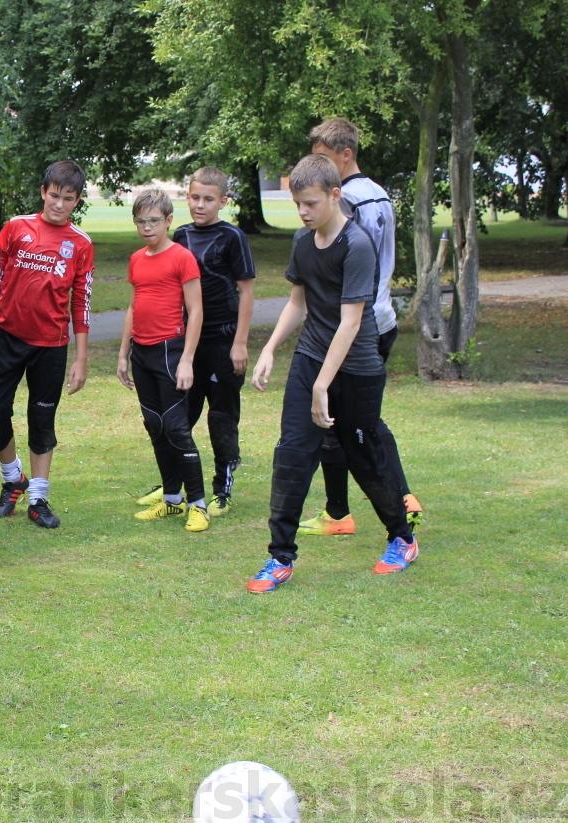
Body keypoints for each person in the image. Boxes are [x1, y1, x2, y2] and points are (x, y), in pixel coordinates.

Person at [246, 155, 417, 593]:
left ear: (335, 195)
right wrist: (268, 348)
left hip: (356, 370)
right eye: (297, 204)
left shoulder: (357, 245)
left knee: (363, 458)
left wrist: (325, 383)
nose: (303, 212)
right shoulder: (303, 242)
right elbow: (298, 303)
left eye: (310, 203)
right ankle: (279, 557)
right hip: (310, 359)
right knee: (292, 454)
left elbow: (352, 322)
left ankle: (402, 537)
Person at [302, 117, 423, 536]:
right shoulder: (380, 194)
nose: (315, 167)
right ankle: (402, 496)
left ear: (345, 154)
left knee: (338, 425)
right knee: (363, 421)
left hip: (356, 326)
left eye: (322, 158)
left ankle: (340, 513)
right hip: (383, 317)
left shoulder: (345, 201)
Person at [0, 159, 95, 530]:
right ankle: (13, 479)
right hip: (7, 339)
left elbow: (81, 303)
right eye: (54, 195)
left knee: (42, 421)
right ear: (43, 192)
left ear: (77, 201)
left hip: (51, 347)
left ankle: (38, 497)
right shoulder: (16, 228)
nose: (59, 204)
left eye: (67, 198)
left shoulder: (81, 245)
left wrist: (81, 358)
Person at [116, 188, 210, 532]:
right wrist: (124, 354)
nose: (146, 227)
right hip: (142, 352)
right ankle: (172, 500)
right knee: (155, 425)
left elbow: (196, 311)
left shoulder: (182, 257)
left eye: (153, 220)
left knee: (176, 428)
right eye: (140, 221)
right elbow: (132, 306)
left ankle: (198, 504)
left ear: (169, 221)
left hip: (172, 351)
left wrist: (187, 360)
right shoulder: (137, 258)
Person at [169, 166, 256, 518]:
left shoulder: (232, 237)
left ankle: (223, 487)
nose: (200, 205)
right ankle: (174, 483)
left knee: (221, 417)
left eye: (208, 199)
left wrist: (241, 342)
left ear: (223, 201)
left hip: (223, 339)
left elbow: (247, 292)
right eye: (194, 197)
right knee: (179, 415)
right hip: (189, 342)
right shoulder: (180, 235)